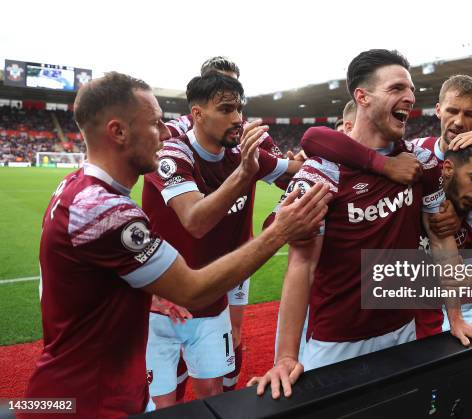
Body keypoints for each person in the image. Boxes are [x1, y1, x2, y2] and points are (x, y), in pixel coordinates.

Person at [24, 72, 330, 418]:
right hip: (87, 403)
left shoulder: (77, 187)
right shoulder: (104, 210)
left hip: (63, 392)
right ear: (118, 132)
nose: (168, 131)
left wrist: (147, 287)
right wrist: (279, 232)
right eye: (156, 123)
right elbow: (194, 290)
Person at [250, 50, 472, 399]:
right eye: (397, 87)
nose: (411, 97)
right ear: (362, 96)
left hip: (403, 333)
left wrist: (457, 319)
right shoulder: (321, 174)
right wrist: (285, 357)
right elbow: (302, 264)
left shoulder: (418, 165)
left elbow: (441, 239)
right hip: (336, 344)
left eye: (412, 89)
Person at [300, 74, 472, 335]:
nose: (459, 121)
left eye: (469, 114)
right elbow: (316, 139)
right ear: (438, 110)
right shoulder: (416, 151)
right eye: (452, 111)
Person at [142, 72, 302, 407]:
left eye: (239, 109)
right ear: (197, 114)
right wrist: (245, 172)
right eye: (226, 109)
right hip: (162, 299)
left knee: (212, 395)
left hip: (214, 291)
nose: (237, 119)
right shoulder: (172, 153)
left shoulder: (242, 148)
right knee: (163, 404)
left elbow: (296, 172)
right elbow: (195, 221)